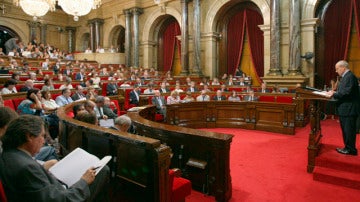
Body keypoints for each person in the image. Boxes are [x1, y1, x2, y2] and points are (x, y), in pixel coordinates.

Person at [0, 115, 109, 201]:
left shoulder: (8, 154)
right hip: (62, 196)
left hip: (54, 190)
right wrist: (84, 181)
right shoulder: (27, 167)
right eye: (42, 136)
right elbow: (61, 200)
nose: (44, 141)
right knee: (103, 170)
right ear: (29, 136)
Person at [326, 60, 360, 155]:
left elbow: (346, 93)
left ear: (343, 67)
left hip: (349, 109)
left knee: (349, 130)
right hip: (346, 108)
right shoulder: (347, 76)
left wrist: (334, 94)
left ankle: (350, 149)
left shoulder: (349, 76)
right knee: (346, 130)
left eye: (337, 69)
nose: (336, 71)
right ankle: (348, 147)